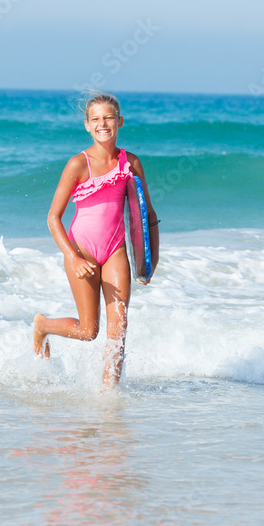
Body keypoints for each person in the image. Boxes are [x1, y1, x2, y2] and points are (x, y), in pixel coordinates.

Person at [33, 92, 158, 386]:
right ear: (87, 125)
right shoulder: (78, 164)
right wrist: (73, 258)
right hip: (82, 249)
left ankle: (109, 398)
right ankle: (42, 325)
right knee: (89, 331)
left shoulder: (131, 163)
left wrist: (148, 262)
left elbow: (147, 215)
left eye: (109, 118)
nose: (103, 124)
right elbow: (53, 218)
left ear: (120, 122)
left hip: (115, 250)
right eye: (96, 119)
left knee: (119, 329)